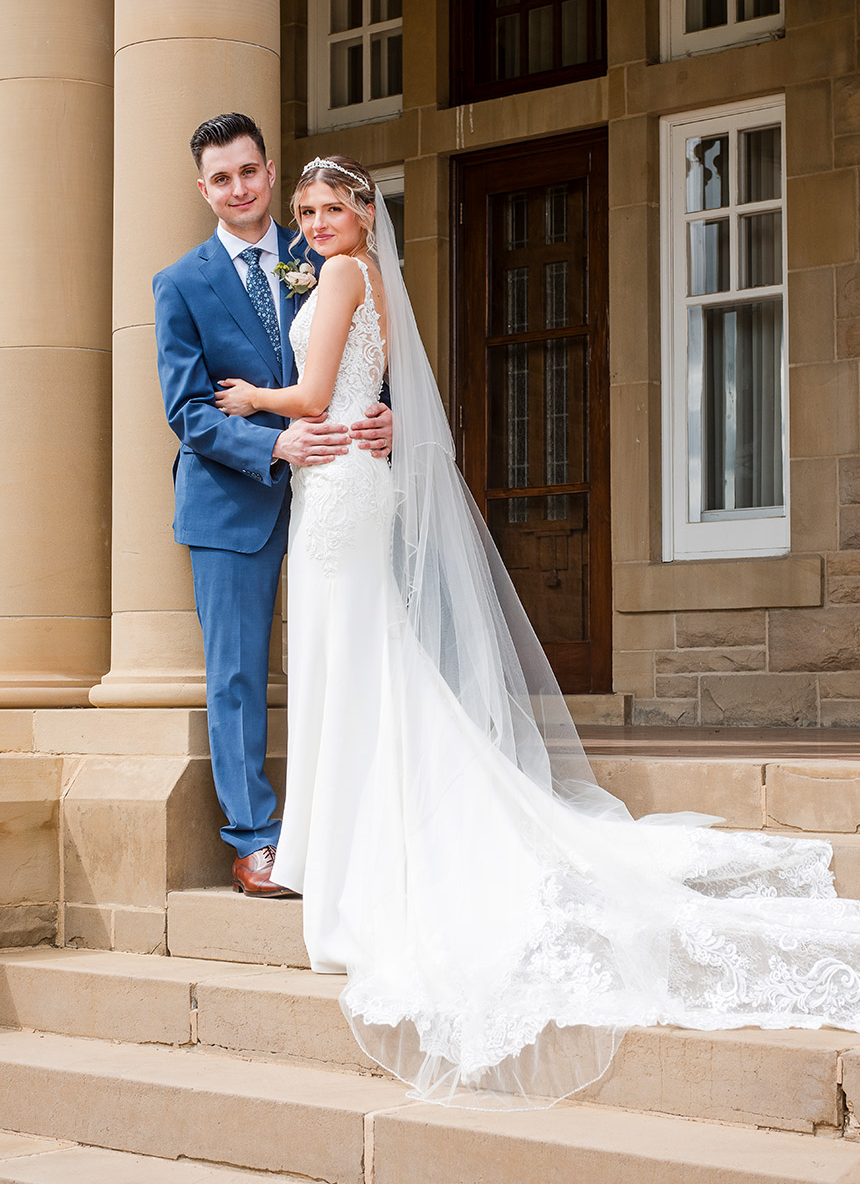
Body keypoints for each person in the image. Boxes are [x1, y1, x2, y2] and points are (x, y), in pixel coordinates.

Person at [215, 154, 860, 1108]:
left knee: (350, 665)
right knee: (362, 665)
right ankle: (336, 836)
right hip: (348, 484)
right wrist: (351, 413)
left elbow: (313, 400)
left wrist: (251, 400)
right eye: (303, 210)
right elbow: (362, 393)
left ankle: (345, 846)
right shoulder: (372, 281)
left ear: (363, 212)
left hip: (339, 493)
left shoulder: (346, 275)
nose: (312, 222)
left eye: (328, 207)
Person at [153, 115, 392, 898]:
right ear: (203, 189)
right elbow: (187, 409)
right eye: (220, 178)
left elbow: (362, 351)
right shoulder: (180, 283)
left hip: (334, 491)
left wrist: (385, 413)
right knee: (238, 674)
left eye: (249, 171)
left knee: (346, 648)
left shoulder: (320, 246)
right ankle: (256, 837)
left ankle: (349, 819)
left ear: (269, 170)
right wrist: (272, 446)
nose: (238, 188)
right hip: (232, 496)